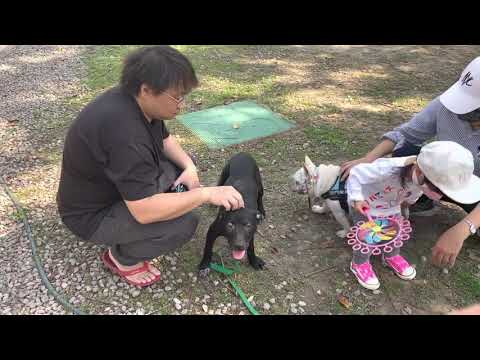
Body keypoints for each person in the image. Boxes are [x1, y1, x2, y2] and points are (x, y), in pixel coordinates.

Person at [56, 46, 245, 288]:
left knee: (181, 175)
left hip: (111, 188)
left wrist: (190, 167)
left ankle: (170, 197)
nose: (182, 104)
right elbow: (143, 211)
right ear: (146, 89)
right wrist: (205, 194)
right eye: (178, 97)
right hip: (91, 215)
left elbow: (165, 140)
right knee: (183, 224)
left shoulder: (135, 101)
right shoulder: (125, 135)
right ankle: (121, 259)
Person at [341, 56, 480, 268]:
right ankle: (418, 196)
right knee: (404, 153)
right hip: (442, 174)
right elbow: (406, 135)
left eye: (473, 112)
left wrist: (463, 228)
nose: (463, 113)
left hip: (471, 186)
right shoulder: (449, 104)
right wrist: (368, 160)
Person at [347, 141, 480, 290]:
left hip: (392, 206)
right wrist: (357, 197)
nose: (438, 195)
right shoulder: (386, 169)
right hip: (366, 206)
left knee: (394, 234)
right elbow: (356, 173)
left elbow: (415, 191)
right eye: (437, 190)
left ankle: (391, 256)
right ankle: (360, 263)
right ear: (419, 171)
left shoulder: (422, 179)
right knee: (368, 238)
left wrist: (407, 203)